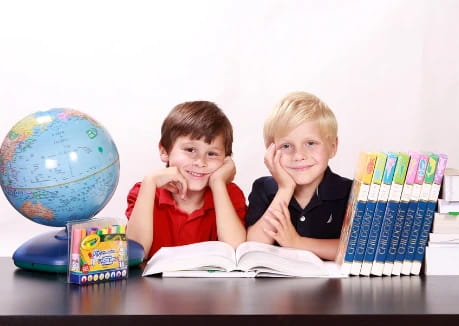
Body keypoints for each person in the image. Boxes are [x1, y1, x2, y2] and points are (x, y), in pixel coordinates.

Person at [126, 101, 246, 258]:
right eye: (190, 150)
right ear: (164, 151)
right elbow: (135, 255)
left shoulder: (229, 194)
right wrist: (150, 181)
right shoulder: (145, 191)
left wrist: (218, 183)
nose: (200, 162)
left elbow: (236, 251)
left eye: (212, 154)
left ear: (225, 160)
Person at [246, 92, 352, 261]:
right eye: (286, 146)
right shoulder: (264, 189)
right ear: (270, 151)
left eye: (310, 143)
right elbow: (252, 247)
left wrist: (297, 242)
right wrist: (285, 188)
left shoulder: (349, 191)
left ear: (333, 147)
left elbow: (355, 249)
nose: (298, 155)